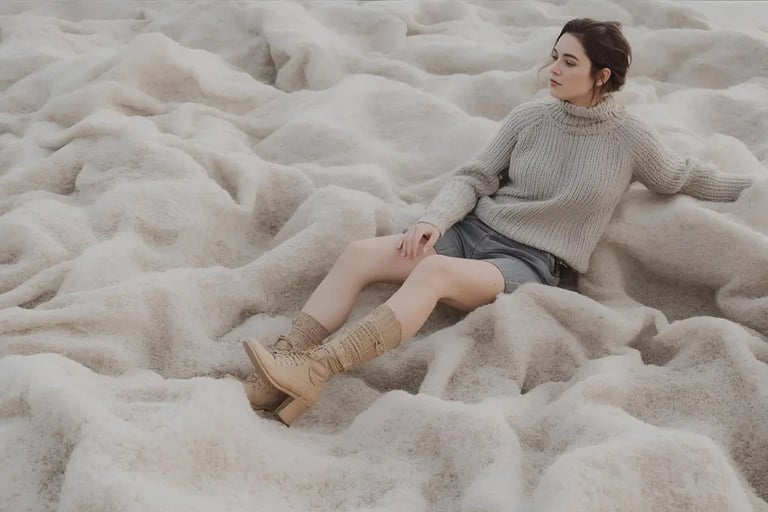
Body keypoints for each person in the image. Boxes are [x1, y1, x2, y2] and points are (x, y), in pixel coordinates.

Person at [234, 18, 756, 426]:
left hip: (528, 261)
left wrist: (752, 188)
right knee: (358, 254)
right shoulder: (530, 116)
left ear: (601, 75)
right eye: (554, 56)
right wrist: (435, 221)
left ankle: (316, 372)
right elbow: (476, 176)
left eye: (568, 62)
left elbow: (680, 175)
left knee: (432, 276)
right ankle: (284, 364)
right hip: (470, 231)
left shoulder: (631, 138)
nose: (552, 69)